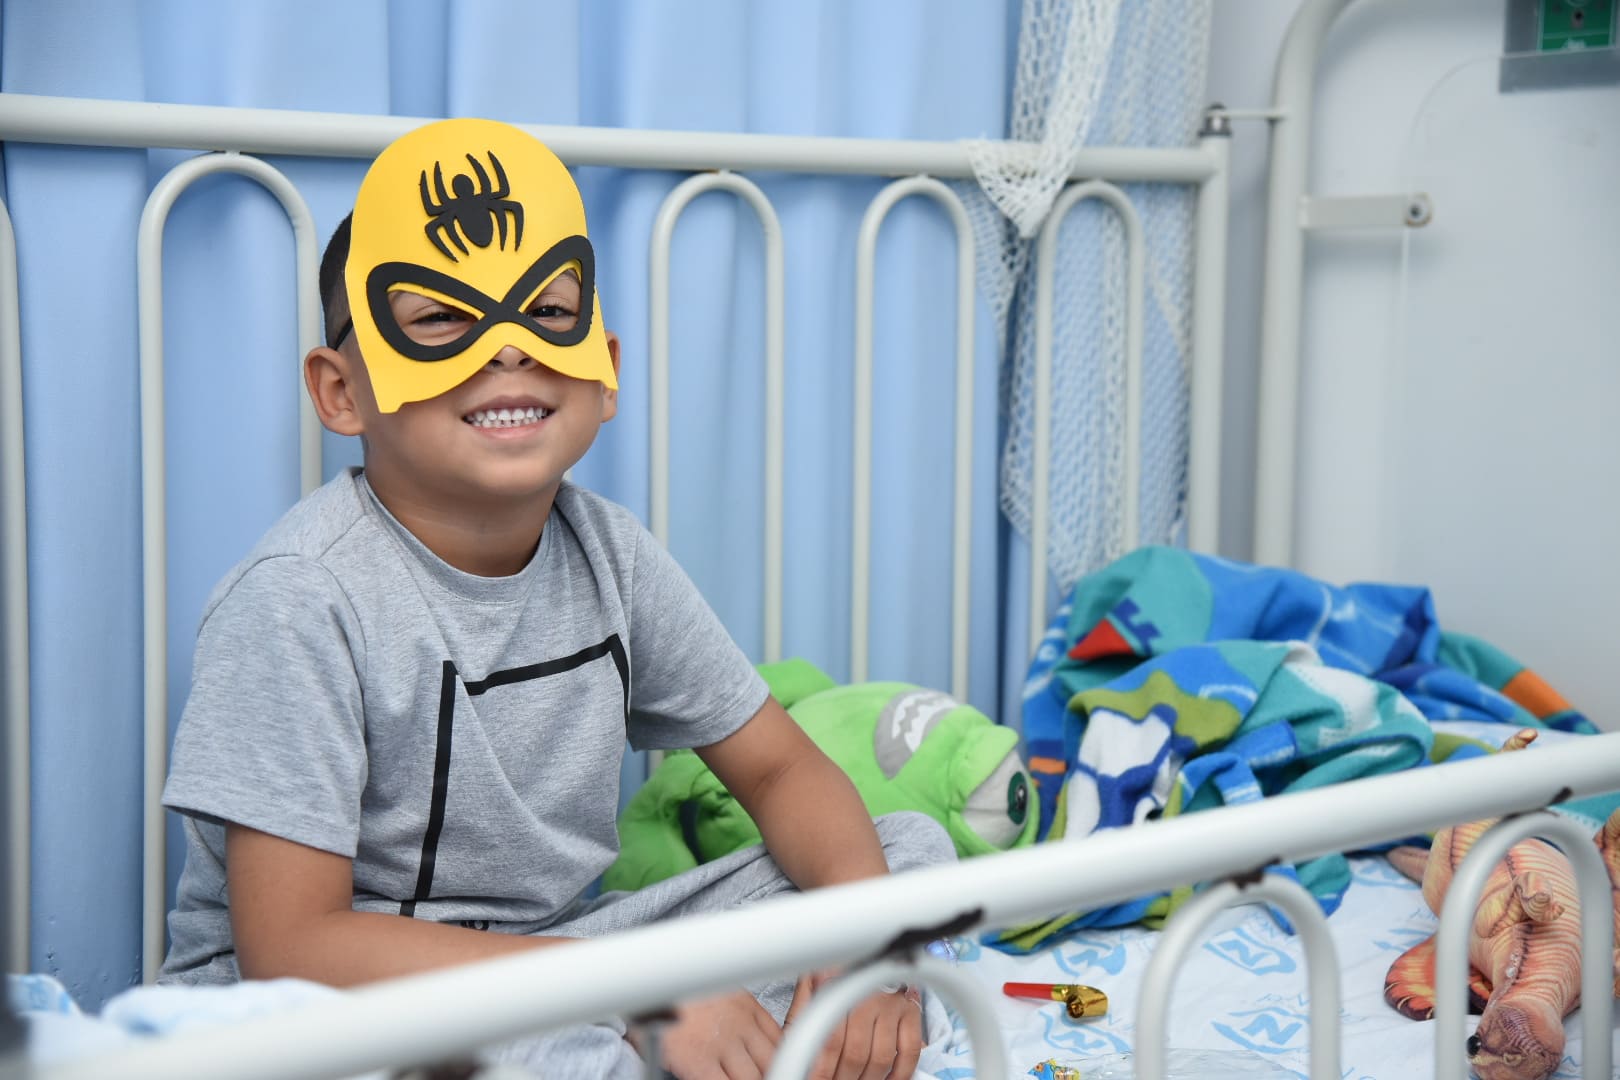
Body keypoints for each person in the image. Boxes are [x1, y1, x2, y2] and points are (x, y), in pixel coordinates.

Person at [158, 117, 955, 1079]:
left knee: (899, 857)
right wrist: (623, 991)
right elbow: (293, 951)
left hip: (561, 960)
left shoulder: (612, 557)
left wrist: (864, 944)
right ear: (340, 392)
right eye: (439, 319)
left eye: (548, 308)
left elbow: (783, 771)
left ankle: (730, 1035)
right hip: (333, 1011)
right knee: (560, 1049)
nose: (508, 349)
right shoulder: (300, 599)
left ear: (603, 368)